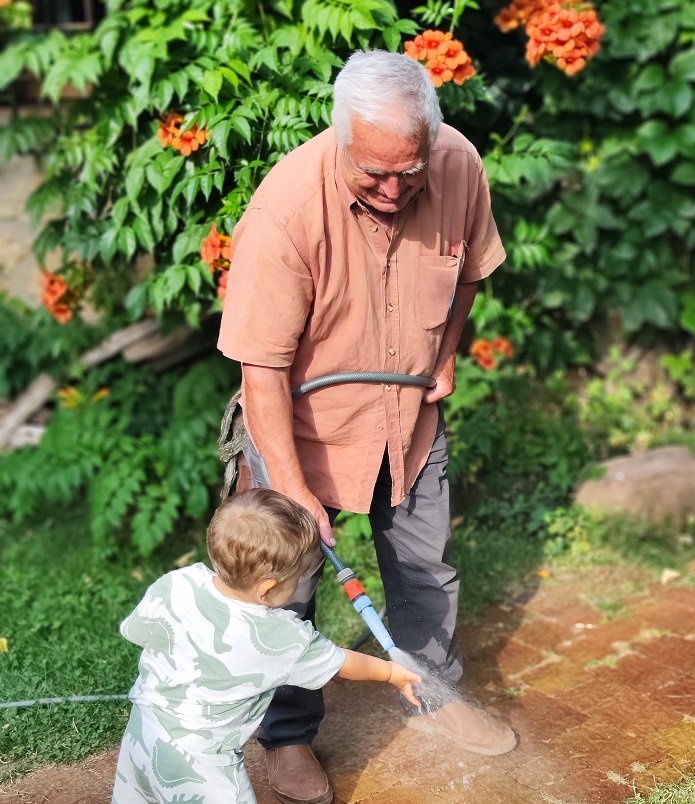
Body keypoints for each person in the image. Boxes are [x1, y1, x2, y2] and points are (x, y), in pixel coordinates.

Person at [217, 49, 516, 804]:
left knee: (426, 569)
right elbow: (260, 371)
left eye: (408, 171)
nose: (392, 189)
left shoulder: (457, 165)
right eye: (373, 173)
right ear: (341, 138)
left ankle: (434, 692)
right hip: (300, 424)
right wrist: (292, 489)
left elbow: (469, 270)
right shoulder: (285, 212)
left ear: (430, 142)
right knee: (283, 591)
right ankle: (286, 737)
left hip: (409, 415)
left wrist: (446, 354)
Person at [112, 488, 420, 804]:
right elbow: (342, 663)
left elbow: (137, 632)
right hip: (202, 768)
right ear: (267, 589)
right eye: (296, 579)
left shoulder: (178, 582)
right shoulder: (279, 635)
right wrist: (392, 673)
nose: (298, 585)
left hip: (142, 736)